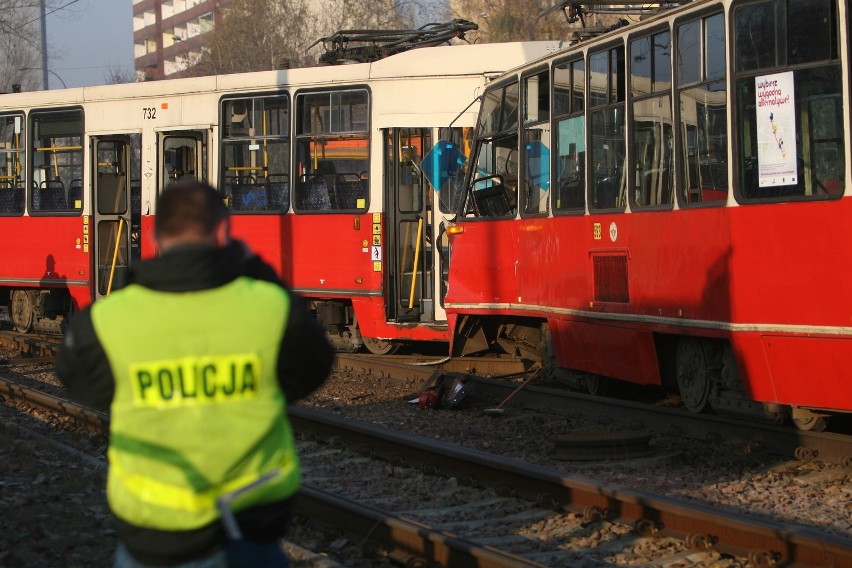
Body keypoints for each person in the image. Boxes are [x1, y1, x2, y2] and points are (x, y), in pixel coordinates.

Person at [56, 180, 334, 567]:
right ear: (223, 231)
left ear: (153, 237)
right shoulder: (270, 307)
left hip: (152, 534)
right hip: (248, 525)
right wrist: (253, 266)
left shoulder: (106, 321)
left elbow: (84, 386)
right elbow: (312, 369)